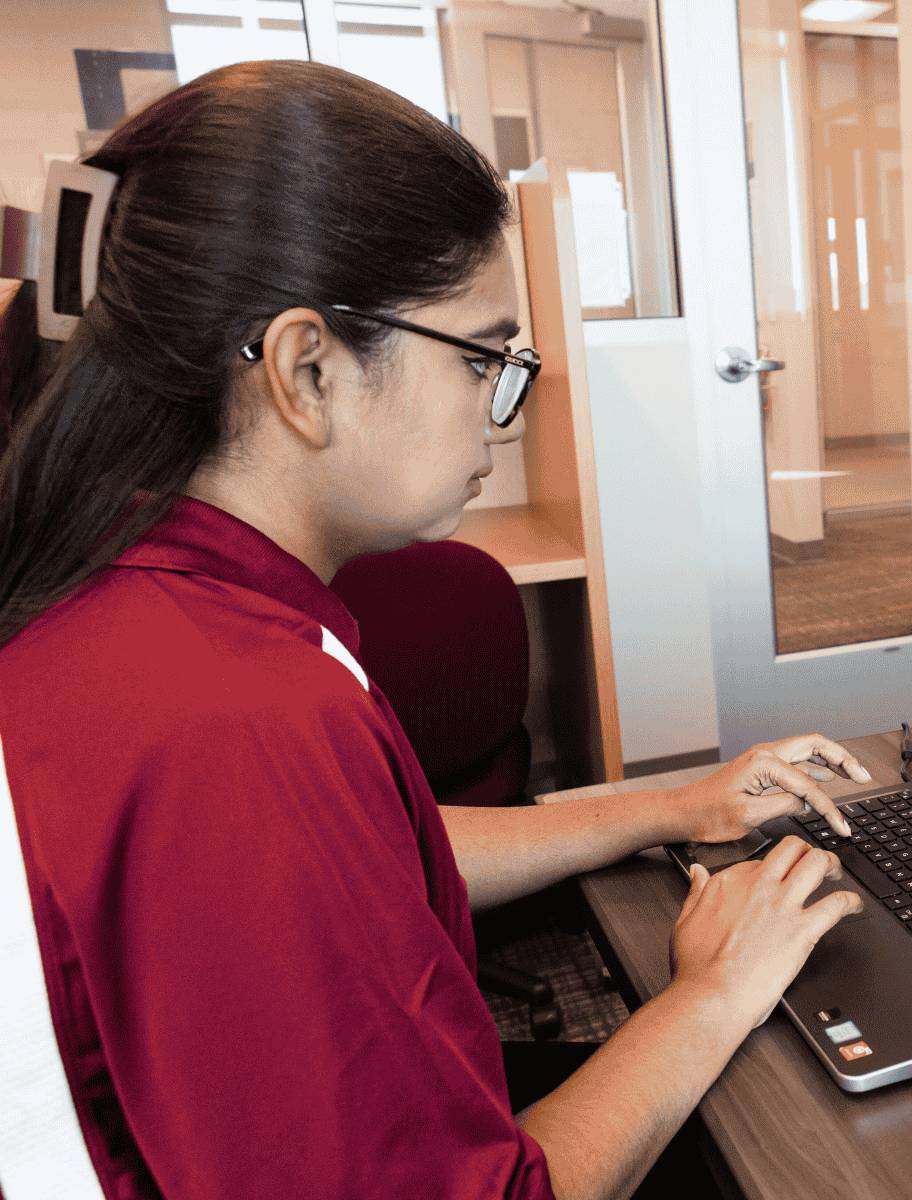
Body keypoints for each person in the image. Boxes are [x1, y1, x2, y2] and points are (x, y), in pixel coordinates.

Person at [0, 61, 866, 1200]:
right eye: (484, 358)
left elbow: (360, 856)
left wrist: (676, 804)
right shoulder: (227, 716)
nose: (501, 415)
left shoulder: (143, 599)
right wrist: (712, 988)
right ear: (308, 371)